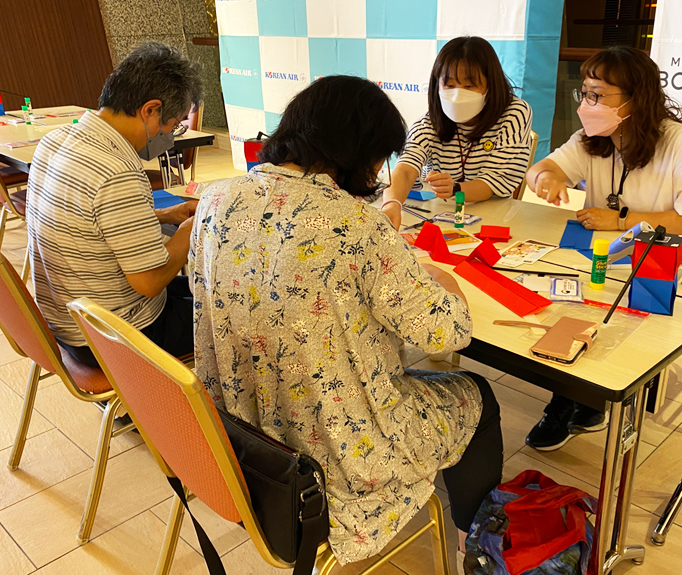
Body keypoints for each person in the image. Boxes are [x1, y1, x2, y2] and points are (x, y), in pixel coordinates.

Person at [190, 76, 503, 569]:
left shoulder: (216, 199)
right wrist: (443, 282)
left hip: (241, 439)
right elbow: (445, 332)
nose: (378, 172)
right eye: (378, 158)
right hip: (338, 461)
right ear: (358, 152)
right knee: (477, 396)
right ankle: (477, 547)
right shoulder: (356, 224)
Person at [524, 46, 682, 451]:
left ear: (636, 98)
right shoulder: (593, 138)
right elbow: (545, 167)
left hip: (667, 263)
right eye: (584, 93)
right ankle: (579, 395)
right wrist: (545, 178)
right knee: (558, 294)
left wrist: (621, 219)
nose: (587, 104)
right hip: (606, 256)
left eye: (598, 95)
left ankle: (573, 399)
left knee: (596, 308)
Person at [26, 42, 203, 367]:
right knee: (238, 310)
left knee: (202, 290)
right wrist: (190, 230)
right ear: (150, 110)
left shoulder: (56, 140)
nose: (170, 137)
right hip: (118, 337)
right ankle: (201, 413)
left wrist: (164, 214)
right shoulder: (116, 171)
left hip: (67, 317)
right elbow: (148, 283)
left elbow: (88, 220)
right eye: (172, 125)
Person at [381, 36, 532, 231]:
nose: (458, 94)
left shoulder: (514, 113)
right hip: (444, 216)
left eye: (469, 86)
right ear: (438, 85)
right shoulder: (431, 122)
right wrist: (392, 203)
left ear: (490, 84)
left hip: (496, 218)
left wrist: (455, 188)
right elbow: (406, 167)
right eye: (450, 85)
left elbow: (496, 180)